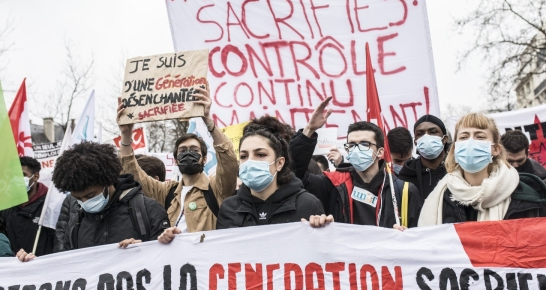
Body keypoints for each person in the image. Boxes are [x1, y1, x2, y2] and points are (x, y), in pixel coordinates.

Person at [158, 119, 325, 241]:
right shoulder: (230, 208)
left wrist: (323, 230)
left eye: (260, 155)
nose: (250, 161)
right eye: (244, 156)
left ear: (279, 163)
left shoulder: (307, 204)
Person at [15, 142, 170, 262]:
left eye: (90, 195)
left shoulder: (147, 210)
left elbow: (168, 260)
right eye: (78, 198)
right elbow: (68, 266)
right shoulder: (76, 221)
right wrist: (35, 267)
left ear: (108, 181)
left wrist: (145, 250)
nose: (84, 203)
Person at [118, 82, 238, 233]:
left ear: (205, 159)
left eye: (194, 150)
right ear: (176, 160)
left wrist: (207, 120)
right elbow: (133, 173)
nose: (188, 153)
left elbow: (229, 162)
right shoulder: (167, 192)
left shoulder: (216, 188)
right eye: (182, 150)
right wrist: (126, 134)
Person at [288, 97, 423, 229]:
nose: (357, 149)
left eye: (365, 144)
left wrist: (404, 236)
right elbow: (295, 173)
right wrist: (309, 130)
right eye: (352, 145)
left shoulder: (403, 191)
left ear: (380, 152)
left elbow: (417, 238)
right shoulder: (333, 184)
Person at [419, 113, 546, 226]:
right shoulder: (439, 199)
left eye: (480, 136)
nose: (471, 142)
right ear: (455, 148)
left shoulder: (525, 198)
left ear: (496, 149)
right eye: (464, 137)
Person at [0, 157, 54, 257]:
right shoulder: (5, 205)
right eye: (13, 175)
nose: (16, 179)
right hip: (13, 268)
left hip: (43, 268)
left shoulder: (50, 204)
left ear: (36, 176)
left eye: (22, 175)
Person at [397, 115, 448, 200]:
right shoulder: (406, 177)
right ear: (415, 142)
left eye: (433, 132)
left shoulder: (458, 170)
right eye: (420, 134)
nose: (426, 137)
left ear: (445, 139)